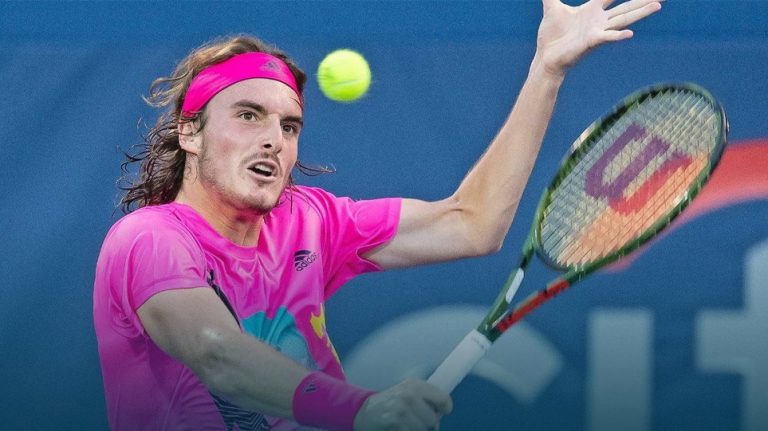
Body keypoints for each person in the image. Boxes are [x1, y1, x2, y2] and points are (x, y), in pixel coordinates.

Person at [93, 0, 662, 429]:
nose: (273, 140)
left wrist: (546, 71)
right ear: (190, 133)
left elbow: (472, 223)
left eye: (289, 126)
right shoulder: (148, 239)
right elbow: (216, 352)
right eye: (248, 115)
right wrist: (361, 409)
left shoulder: (309, 222)